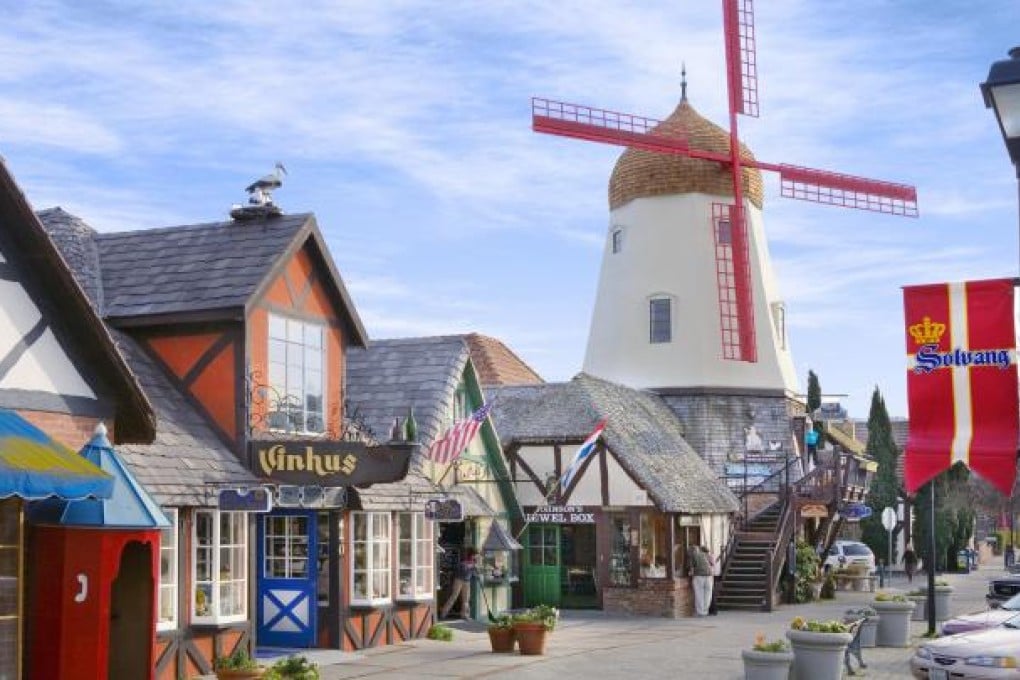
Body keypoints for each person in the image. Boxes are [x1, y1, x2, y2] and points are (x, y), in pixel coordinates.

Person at [440, 548, 477, 619]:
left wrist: (475, 572)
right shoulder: (464, 560)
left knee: (466, 599)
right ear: (472, 555)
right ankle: (443, 613)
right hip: (459, 580)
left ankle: (464, 615)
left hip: (467, 581)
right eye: (475, 555)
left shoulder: (473, 562)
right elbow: (462, 569)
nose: (476, 557)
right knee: (454, 596)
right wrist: (471, 567)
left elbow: (473, 573)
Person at [689, 544, 715, 616]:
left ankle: (700, 612)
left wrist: (691, 575)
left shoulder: (693, 556)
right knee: (708, 595)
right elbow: (712, 564)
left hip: (699, 576)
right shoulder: (706, 555)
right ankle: (705, 611)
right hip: (709, 576)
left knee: (699, 594)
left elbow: (692, 568)